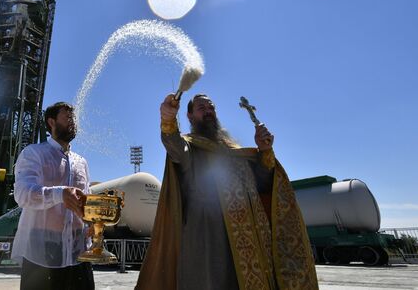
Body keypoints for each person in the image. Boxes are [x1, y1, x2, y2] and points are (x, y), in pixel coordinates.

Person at [136, 94, 318, 290]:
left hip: (248, 244)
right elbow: (176, 148)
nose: (208, 110)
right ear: (189, 116)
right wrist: (168, 121)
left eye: (211, 107)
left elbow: (262, 185)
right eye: (201, 107)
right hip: (209, 239)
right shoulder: (191, 146)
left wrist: (264, 151)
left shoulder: (236, 151)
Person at [12, 102, 94, 290]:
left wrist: (92, 225)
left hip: (79, 252)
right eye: (67, 117)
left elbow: (86, 200)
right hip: (42, 252)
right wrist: (60, 194)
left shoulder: (82, 162)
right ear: (51, 122)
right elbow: (23, 194)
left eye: (74, 118)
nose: (73, 122)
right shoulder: (34, 153)